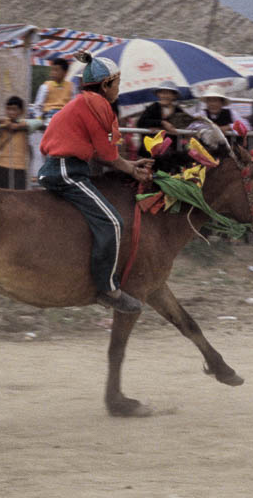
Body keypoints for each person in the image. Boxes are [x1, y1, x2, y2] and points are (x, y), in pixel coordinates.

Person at [38, 52, 152, 313]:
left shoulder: (84, 102)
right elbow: (109, 155)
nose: (118, 90)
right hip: (66, 169)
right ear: (105, 85)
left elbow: (105, 154)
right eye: (117, 84)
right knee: (113, 222)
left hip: (63, 166)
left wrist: (129, 166)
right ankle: (108, 290)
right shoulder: (98, 104)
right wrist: (132, 170)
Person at [136, 81, 189, 159]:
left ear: (174, 96)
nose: (165, 96)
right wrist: (161, 123)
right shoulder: (153, 107)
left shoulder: (178, 111)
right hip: (150, 150)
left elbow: (183, 127)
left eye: (168, 93)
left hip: (171, 152)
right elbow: (141, 122)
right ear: (158, 94)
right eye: (162, 93)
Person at [0, 96, 35, 189]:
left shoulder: (25, 124)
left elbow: (38, 122)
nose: (11, 112)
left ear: (21, 111)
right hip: (1, 165)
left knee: (18, 197)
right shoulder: (2, 123)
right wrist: (0, 123)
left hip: (19, 166)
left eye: (14, 109)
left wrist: (18, 126)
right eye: (8, 109)